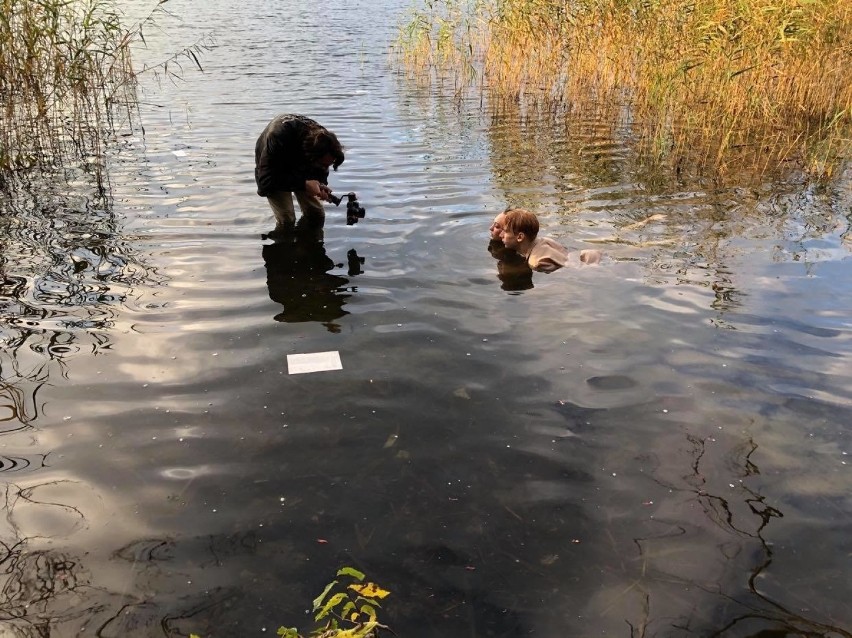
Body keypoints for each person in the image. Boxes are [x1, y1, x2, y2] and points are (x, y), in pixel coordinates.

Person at [255, 114, 345, 237]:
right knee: (287, 220)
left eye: (328, 165)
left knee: (317, 214)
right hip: (273, 168)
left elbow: (321, 170)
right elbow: (265, 182)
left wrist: (322, 184)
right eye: (323, 165)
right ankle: (284, 250)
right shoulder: (278, 137)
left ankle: (309, 248)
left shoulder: (325, 141)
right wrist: (303, 184)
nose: (325, 169)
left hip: (303, 161)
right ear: (312, 156)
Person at [499, 208, 602, 273]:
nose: (501, 235)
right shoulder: (545, 240)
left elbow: (569, 273)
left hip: (591, 269)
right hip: (592, 255)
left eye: (504, 231)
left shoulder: (536, 263)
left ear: (520, 237)